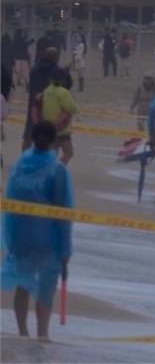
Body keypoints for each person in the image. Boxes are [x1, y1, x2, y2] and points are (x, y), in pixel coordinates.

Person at [3, 121, 73, 342]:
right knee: (46, 286)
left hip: (22, 236)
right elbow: (63, 211)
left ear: (32, 139)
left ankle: (22, 332)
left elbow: (9, 206)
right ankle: (42, 333)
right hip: (48, 238)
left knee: (23, 284)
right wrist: (65, 249)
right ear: (55, 142)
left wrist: (11, 240)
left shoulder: (20, 165)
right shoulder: (57, 169)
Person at [21, 48, 59, 152]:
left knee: (29, 133)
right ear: (55, 57)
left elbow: (29, 86)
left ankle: (24, 158)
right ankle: (49, 162)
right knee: (50, 134)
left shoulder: (35, 68)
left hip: (33, 104)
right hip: (49, 106)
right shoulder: (55, 70)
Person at [39, 69, 79, 165]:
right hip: (61, 128)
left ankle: (48, 170)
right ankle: (57, 170)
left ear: (50, 79)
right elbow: (73, 108)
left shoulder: (46, 91)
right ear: (63, 80)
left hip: (49, 127)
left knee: (53, 153)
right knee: (69, 153)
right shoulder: (63, 92)